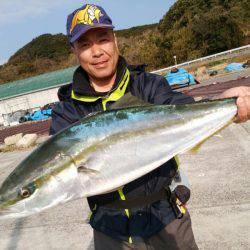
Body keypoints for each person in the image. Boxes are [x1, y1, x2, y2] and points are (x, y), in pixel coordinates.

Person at [50, 4, 250, 250]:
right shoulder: (67, 111)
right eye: (84, 45)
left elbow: (187, 112)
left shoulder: (149, 86)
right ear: (75, 52)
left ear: (115, 41)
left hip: (166, 219)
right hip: (110, 231)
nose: (97, 51)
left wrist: (227, 104)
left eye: (103, 39)